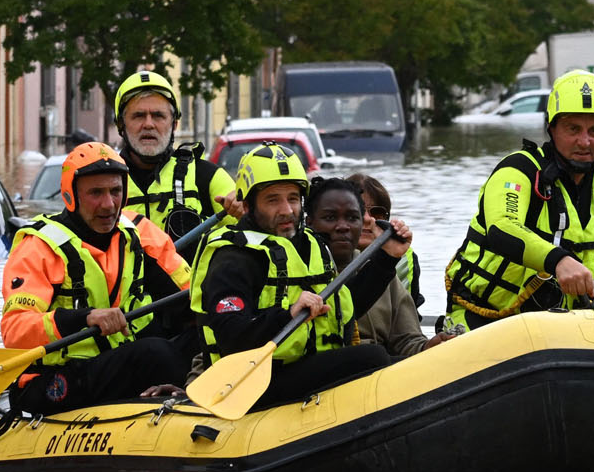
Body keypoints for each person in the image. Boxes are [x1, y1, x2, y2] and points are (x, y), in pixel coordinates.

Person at [190, 144, 414, 410]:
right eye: (273, 200)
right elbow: (230, 333)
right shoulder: (233, 258)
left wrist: (387, 258)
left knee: (390, 362)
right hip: (251, 382)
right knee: (373, 357)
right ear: (248, 205)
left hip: (304, 368)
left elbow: (344, 307)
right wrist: (287, 314)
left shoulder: (310, 245)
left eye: (293, 198)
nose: (286, 210)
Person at [0, 141, 193, 415]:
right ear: (71, 196)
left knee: (204, 334)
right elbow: (15, 332)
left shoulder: (139, 232)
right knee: (155, 354)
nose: (108, 204)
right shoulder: (38, 247)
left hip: (117, 362)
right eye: (96, 193)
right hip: (54, 378)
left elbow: (193, 297)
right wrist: (85, 318)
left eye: (115, 191)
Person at [442, 68, 594, 331]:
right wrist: (559, 260)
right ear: (551, 128)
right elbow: (502, 227)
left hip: (566, 331)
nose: (585, 141)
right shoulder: (517, 170)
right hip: (485, 321)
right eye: (573, 128)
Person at [308, 176, 448, 359]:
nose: (368, 220)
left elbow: (408, 341)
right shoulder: (303, 270)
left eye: (352, 217)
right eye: (331, 217)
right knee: (374, 355)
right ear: (309, 222)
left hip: (384, 371)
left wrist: (431, 347)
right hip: (337, 370)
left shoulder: (388, 272)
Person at [112, 68, 242, 240]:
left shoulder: (206, 177)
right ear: (121, 124)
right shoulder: (104, 180)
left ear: (174, 124)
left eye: (158, 115)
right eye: (138, 116)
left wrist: (243, 209)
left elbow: (254, 233)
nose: (148, 124)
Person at [350, 172, 423, 310]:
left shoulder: (405, 257)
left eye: (377, 213)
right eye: (357, 211)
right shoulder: (324, 254)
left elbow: (410, 316)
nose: (368, 219)